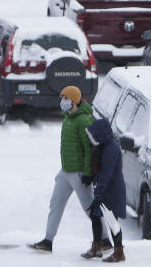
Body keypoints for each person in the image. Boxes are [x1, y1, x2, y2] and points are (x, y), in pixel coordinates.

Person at [29, 86, 102, 253]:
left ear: (74, 101)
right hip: (65, 171)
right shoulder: (68, 118)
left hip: (78, 173)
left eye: (65, 99)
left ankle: (104, 239)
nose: (62, 102)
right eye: (62, 99)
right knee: (56, 203)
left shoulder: (83, 120)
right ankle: (48, 240)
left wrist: (88, 174)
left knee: (90, 208)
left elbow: (89, 149)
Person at [82, 118, 127, 263]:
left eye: (94, 135)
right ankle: (97, 247)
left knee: (112, 220)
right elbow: (100, 170)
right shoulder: (103, 146)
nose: (92, 139)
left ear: (101, 134)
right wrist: (91, 178)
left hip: (112, 191)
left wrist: (99, 193)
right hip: (105, 189)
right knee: (95, 215)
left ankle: (119, 251)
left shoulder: (111, 148)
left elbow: (106, 174)